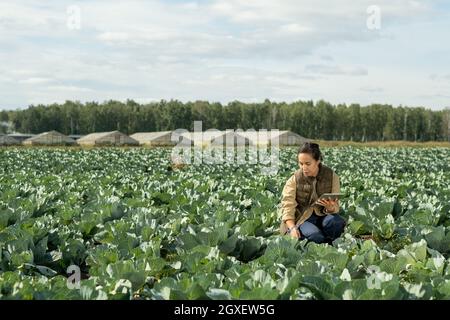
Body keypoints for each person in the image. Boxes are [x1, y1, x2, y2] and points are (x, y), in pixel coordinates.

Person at [279, 142, 346, 244]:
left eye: (308, 164)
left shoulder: (332, 176)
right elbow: (288, 206)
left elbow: (335, 208)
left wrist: (330, 208)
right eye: (300, 163)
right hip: (302, 219)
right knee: (315, 236)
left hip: (323, 215)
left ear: (318, 160)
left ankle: (331, 244)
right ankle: (319, 239)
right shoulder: (294, 179)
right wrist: (292, 228)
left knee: (336, 222)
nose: (303, 168)